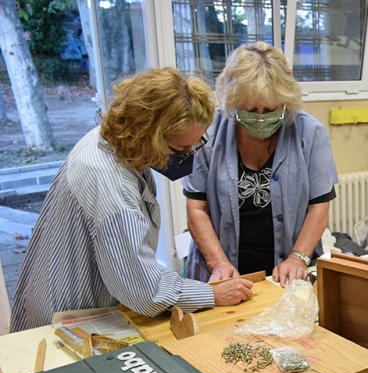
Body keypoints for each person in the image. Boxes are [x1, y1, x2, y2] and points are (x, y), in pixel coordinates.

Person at [10, 68, 253, 333]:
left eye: (195, 145)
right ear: (147, 134)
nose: (189, 155)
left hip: (69, 299)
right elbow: (145, 291)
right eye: (181, 149)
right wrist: (211, 295)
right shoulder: (109, 184)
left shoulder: (111, 141)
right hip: (68, 318)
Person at [183, 42, 338, 287]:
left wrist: (297, 258)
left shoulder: (310, 133)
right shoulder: (209, 133)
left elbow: (319, 207)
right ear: (233, 102)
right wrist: (219, 264)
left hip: (287, 275)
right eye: (250, 109)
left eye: (270, 109)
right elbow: (196, 209)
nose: (261, 116)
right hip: (223, 272)